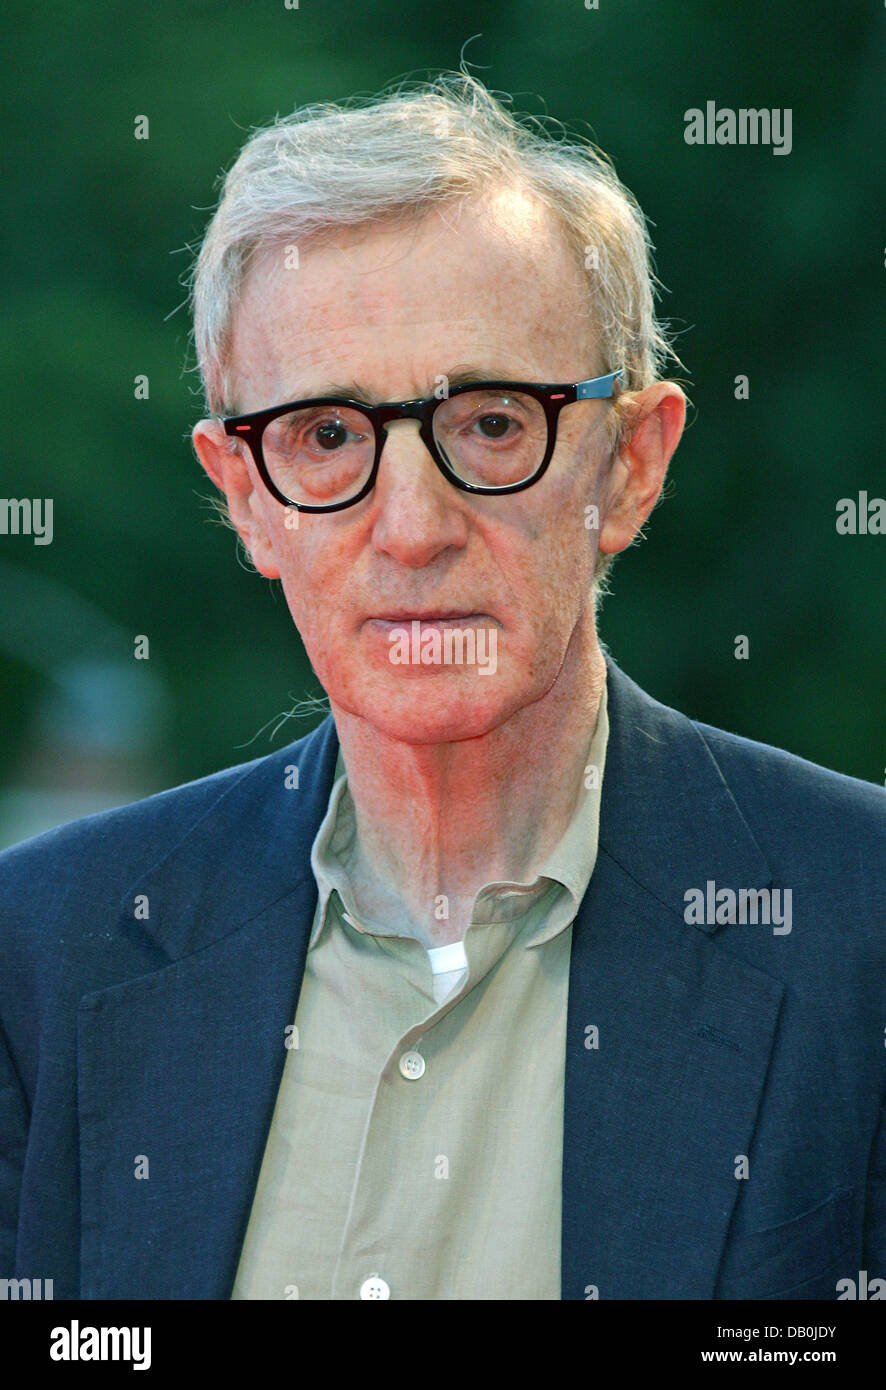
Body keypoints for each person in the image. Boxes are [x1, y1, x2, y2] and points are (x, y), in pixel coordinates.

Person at [1, 72, 883, 1302]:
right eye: (324, 435)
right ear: (245, 498)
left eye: (488, 423)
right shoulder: (37, 955)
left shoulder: (861, 928)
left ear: (632, 464)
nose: (411, 527)